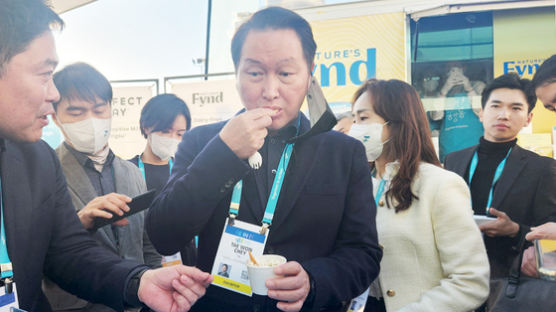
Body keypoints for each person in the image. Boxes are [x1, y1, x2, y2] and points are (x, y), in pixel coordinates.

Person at [146, 6, 382, 312]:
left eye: (285, 73)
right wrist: (224, 153)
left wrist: (314, 280)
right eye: (255, 73)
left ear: (310, 73)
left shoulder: (343, 153)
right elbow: (165, 235)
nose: (270, 91)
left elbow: (363, 254)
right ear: (237, 74)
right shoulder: (202, 142)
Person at [0, 0, 211, 311]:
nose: (53, 93)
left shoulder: (36, 162)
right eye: (44, 75)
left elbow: (67, 252)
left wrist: (139, 281)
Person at [349, 79, 489, 312]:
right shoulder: (364, 186)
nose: (355, 128)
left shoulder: (440, 184)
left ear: (396, 123)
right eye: (354, 120)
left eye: (363, 119)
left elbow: (470, 281)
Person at [46, 62, 162, 311]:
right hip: (75, 304)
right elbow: (36, 249)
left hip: (134, 301)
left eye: (99, 109)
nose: (91, 121)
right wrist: (80, 222)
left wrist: (154, 282)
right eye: (77, 113)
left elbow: (146, 241)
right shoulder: (45, 172)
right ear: (56, 117)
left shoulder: (132, 172)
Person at [444, 73, 556, 278]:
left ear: (528, 119)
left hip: (508, 277)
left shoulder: (543, 168)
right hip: (455, 271)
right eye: (495, 106)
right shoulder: (453, 160)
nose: (504, 115)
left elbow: (549, 229)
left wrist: (515, 230)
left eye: (516, 108)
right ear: (481, 112)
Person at [129, 93, 196, 266]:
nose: (172, 139)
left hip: (185, 265)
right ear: (146, 127)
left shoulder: (187, 171)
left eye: (180, 133)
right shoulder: (127, 171)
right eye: (165, 131)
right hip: (142, 269)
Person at [428, 62, 486, 162]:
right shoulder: (441, 90)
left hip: (475, 151)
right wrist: (445, 90)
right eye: (450, 68)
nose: (454, 72)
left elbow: (481, 110)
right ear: (446, 71)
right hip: (449, 152)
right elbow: (436, 116)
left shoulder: (478, 85)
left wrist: (468, 88)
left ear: (464, 68)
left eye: (457, 67)